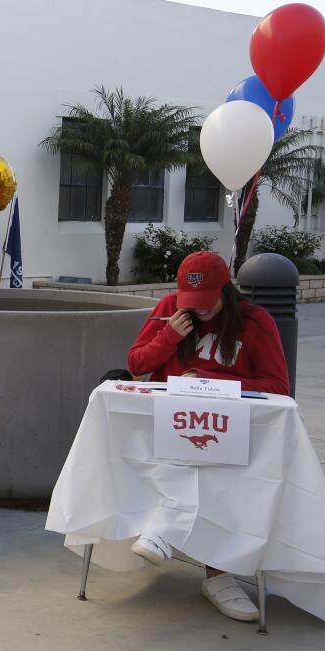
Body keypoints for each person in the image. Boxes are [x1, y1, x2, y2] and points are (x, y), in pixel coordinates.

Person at [125, 250, 290, 623]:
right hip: (171, 422)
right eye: (190, 301)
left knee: (213, 465)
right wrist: (168, 336)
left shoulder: (254, 321)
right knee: (176, 453)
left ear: (225, 290)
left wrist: (211, 382)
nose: (197, 310)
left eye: (205, 301)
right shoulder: (171, 308)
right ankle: (192, 555)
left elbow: (279, 386)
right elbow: (137, 363)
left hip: (231, 429)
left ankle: (179, 542)